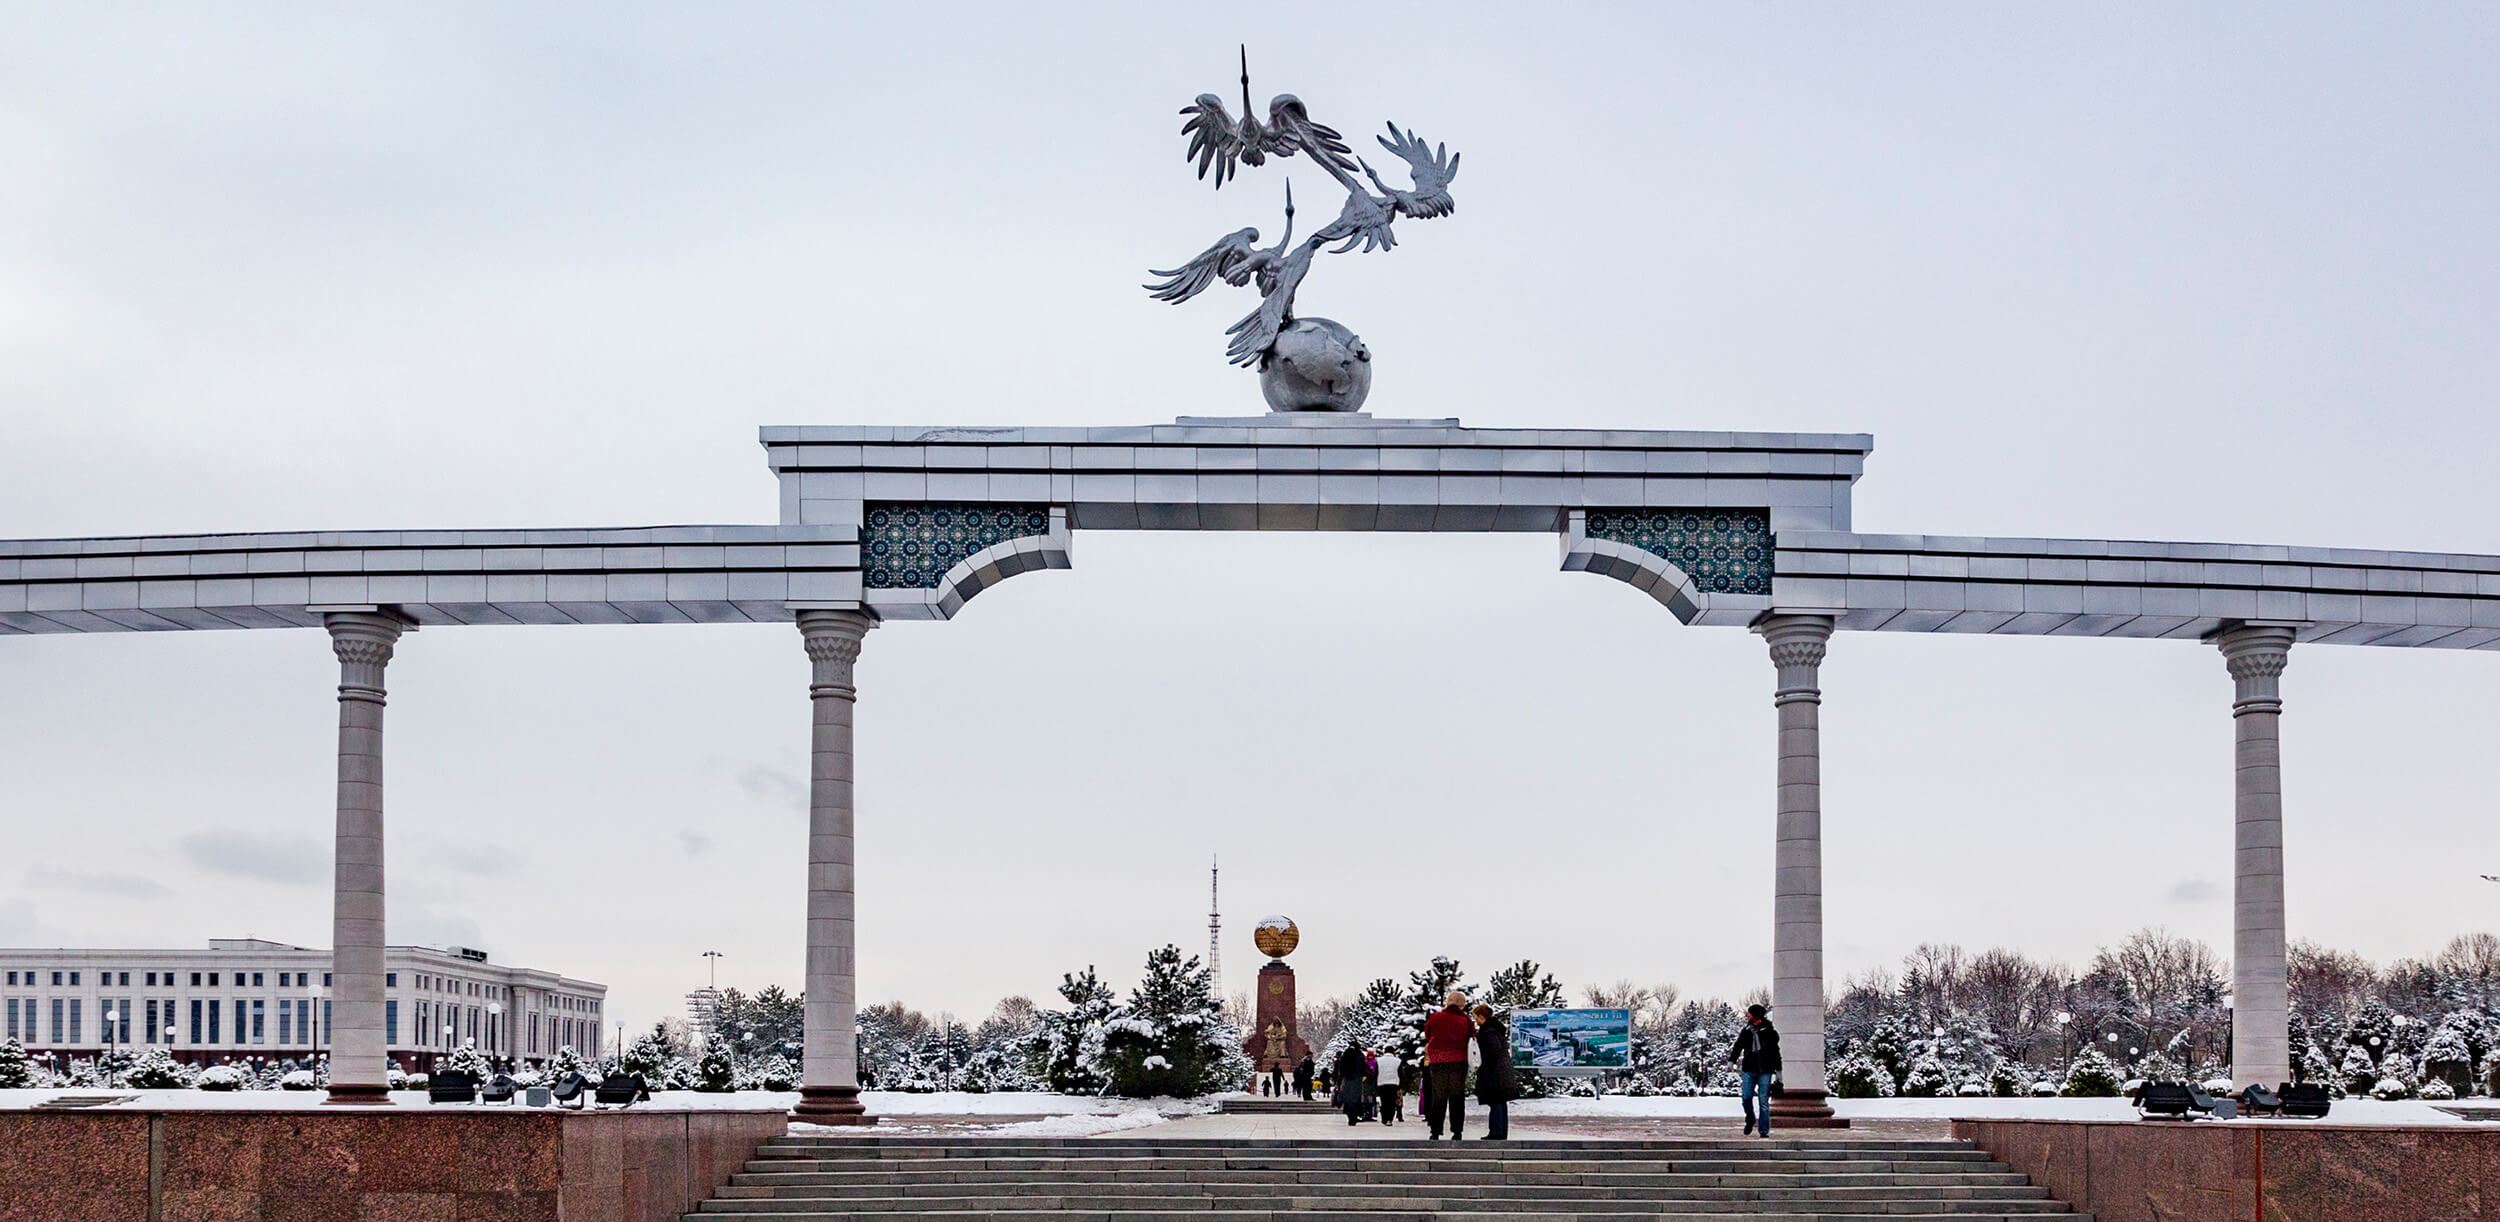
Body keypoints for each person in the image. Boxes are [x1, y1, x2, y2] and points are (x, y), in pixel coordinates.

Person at [1421, 990, 1475, 1140]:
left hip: (1439, 1062)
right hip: (1459, 1062)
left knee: (1438, 1096)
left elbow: (1428, 1034)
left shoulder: (1435, 1018)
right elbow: (1472, 1039)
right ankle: (1457, 1131)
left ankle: (1435, 1131)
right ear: (1462, 1005)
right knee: (1457, 1097)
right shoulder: (1466, 1021)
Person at [1731, 1003, 1783, 1137]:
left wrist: (1778, 1071)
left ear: (1755, 1015)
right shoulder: (1746, 1031)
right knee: (1746, 1098)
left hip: (1765, 1070)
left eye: (1749, 1013)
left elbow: (1775, 1052)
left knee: (1763, 1102)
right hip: (1749, 1069)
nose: (1746, 1015)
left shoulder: (1770, 1032)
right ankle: (1750, 1118)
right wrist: (1732, 1060)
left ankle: (1764, 1131)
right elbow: (1738, 1046)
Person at [1471, 1004, 1520, 1139]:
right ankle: (1500, 1132)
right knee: (1499, 1102)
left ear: (1482, 1016)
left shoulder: (1488, 1031)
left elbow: (1493, 1050)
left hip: (1493, 1073)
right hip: (1500, 1072)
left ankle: (1496, 1132)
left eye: (1476, 1017)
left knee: (1495, 1102)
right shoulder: (1495, 1030)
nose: (1475, 1020)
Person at [1333, 1043, 1371, 1125]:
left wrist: (1339, 1080)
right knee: (1356, 1098)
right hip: (1357, 1079)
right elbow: (1363, 1067)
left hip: (1347, 1079)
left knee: (1347, 1098)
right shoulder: (1359, 1055)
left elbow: (1341, 1068)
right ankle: (1354, 1115)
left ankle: (1350, 1115)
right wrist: (1364, 1075)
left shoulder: (1346, 1054)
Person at [1374, 1046, 1405, 1123]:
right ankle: (1389, 1119)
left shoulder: (1378, 1060)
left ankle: (1384, 1118)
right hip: (1394, 1084)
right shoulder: (1398, 1061)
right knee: (1391, 1102)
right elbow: (1401, 1074)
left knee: (1384, 1101)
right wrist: (1401, 1085)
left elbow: (1375, 1073)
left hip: (1382, 1083)